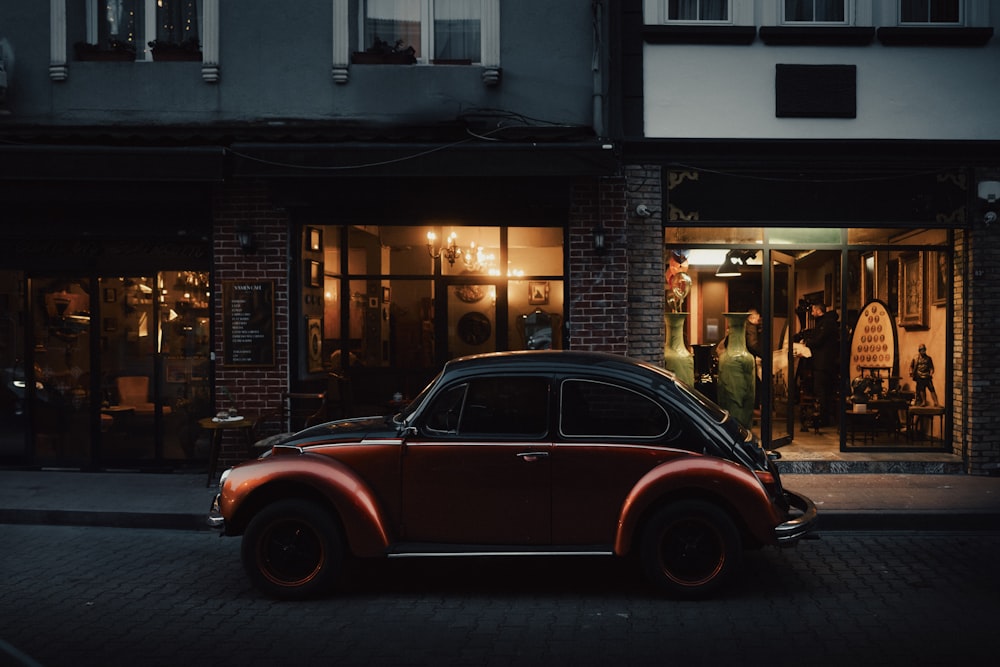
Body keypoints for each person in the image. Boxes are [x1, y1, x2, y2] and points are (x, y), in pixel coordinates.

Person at [796, 300, 839, 427]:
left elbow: (819, 340)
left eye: (814, 310)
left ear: (819, 311)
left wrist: (806, 343)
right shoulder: (826, 323)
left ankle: (823, 418)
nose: (812, 312)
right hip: (825, 362)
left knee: (821, 390)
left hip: (823, 363)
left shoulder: (825, 324)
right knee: (823, 390)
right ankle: (824, 416)